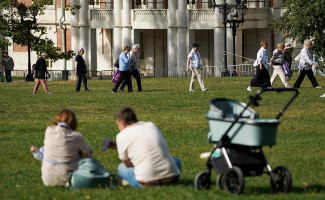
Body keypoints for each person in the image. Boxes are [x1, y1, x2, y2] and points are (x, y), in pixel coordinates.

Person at [106, 107, 181, 188]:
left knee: (121, 167)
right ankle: (168, 181)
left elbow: (128, 164)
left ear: (122, 124)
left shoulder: (121, 136)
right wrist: (118, 145)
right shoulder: (151, 125)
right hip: (172, 178)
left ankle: (130, 182)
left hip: (147, 181)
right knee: (176, 160)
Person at [30, 109, 92, 187]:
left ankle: (40, 154)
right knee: (86, 151)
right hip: (71, 179)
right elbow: (88, 156)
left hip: (48, 180)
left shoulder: (49, 130)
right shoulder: (76, 136)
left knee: (47, 149)